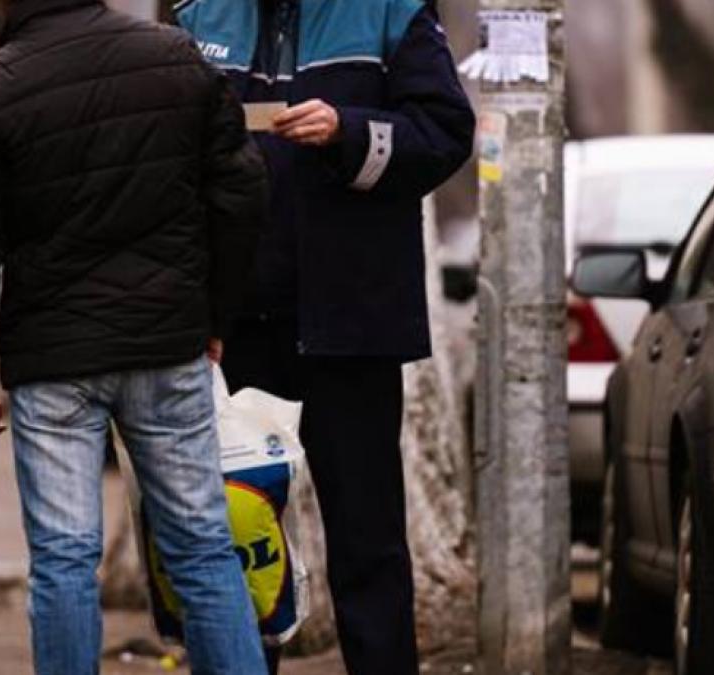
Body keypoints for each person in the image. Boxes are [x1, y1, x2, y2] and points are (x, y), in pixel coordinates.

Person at [0, 1, 270, 673]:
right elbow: (242, 192)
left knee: (63, 561)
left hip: (55, 363)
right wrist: (214, 317)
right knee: (202, 548)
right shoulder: (176, 59)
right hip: (167, 344)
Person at [174, 1, 475, 673]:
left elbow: (447, 132)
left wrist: (350, 130)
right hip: (233, 326)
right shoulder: (199, 15)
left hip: (352, 321)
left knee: (367, 540)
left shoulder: (390, 10)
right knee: (235, 533)